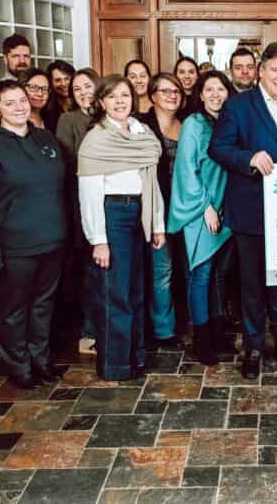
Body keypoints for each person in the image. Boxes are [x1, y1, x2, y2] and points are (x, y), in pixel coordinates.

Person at [209, 42, 277, 379]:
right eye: (275, 70)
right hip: (251, 211)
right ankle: (253, 348)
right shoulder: (239, 106)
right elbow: (218, 148)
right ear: (262, 71)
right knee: (252, 284)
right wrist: (248, 158)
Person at [0, 80, 68, 390]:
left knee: (43, 306)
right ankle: (19, 366)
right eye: (10, 103)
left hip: (52, 241)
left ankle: (41, 359)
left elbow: (63, 190)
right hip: (13, 247)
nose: (20, 107)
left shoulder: (46, 139)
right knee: (13, 310)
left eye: (22, 100)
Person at [77, 76, 166, 380]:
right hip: (112, 214)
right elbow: (88, 194)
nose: (120, 101)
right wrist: (98, 240)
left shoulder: (142, 133)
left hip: (140, 213)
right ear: (101, 102)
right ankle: (115, 365)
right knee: (115, 292)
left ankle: (135, 357)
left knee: (136, 291)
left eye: (125, 95)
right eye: (112, 96)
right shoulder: (96, 139)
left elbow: (151, 182)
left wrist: (157, 223)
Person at [168, 71, 236, 365]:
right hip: (201, 210)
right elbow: (185, 169)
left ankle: (219, 334)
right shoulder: (193, 124)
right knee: (201, 274)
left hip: (226, 207)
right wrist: (205, 206)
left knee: (219, 275)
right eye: (209, 89)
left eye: (220, 89)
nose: (215, 94)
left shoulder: (229, 123)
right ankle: (202, 340)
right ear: (200, 93)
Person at [138, 73, 186, 350]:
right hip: (155, 208)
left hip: (183, 208)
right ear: (153, 95)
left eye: (176, 91)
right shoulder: (141, 126)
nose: (172, 95)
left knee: (181, 269)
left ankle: (180, 321)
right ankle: (163, 330)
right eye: (165, 91)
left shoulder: (186, 124)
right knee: (162, 270)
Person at [56, 68, 101, 356]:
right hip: (82, 203)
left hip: (113, 204)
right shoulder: (68, 120)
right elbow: (67, 165)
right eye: (77, 89)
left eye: (88, 86)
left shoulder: (111, 115)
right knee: (89, 272)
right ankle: (89, 331)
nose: (84, 92)